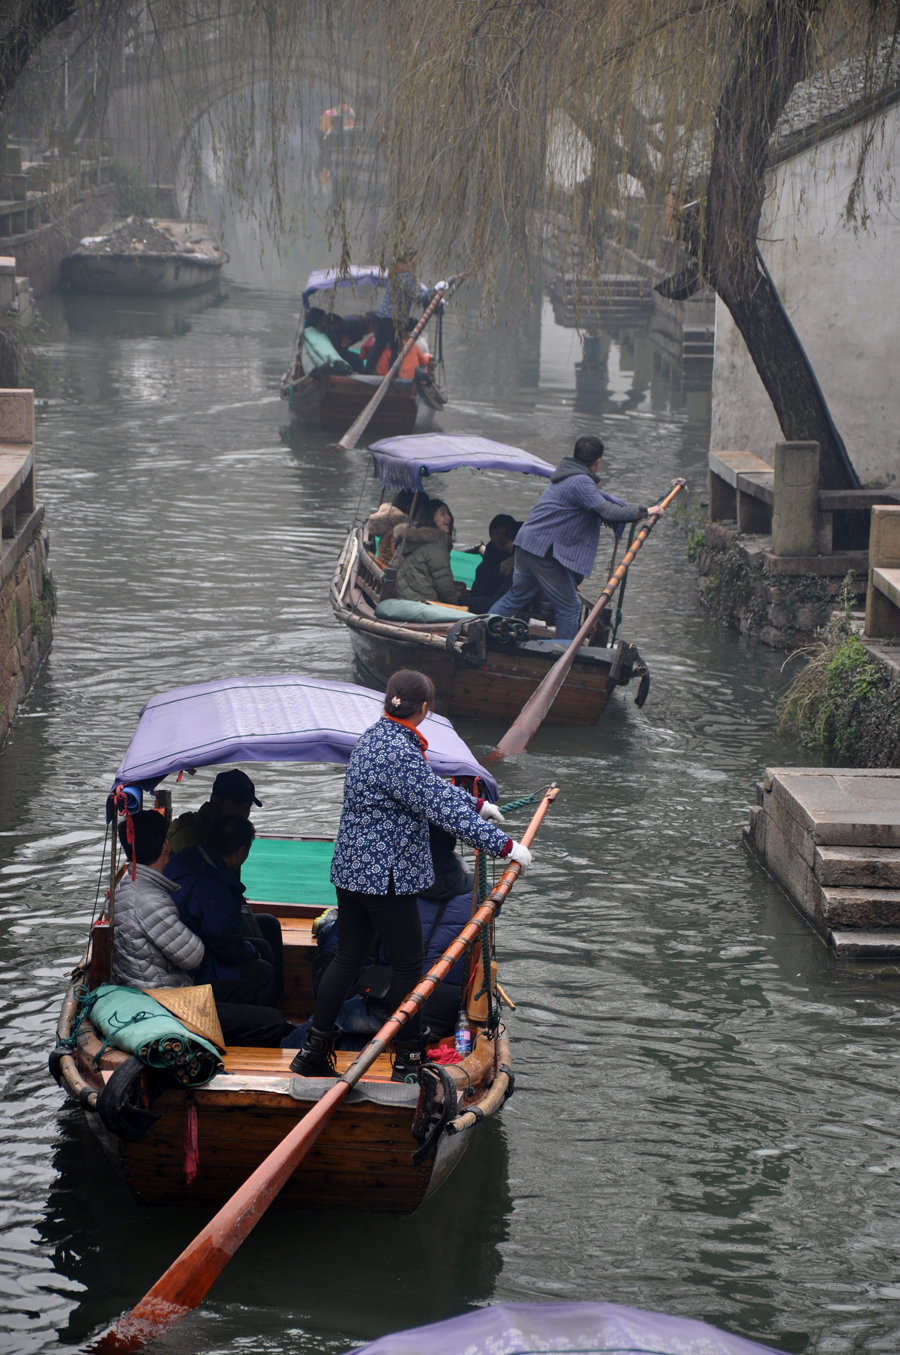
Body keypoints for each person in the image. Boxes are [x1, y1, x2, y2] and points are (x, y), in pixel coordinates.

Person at [289, 669, 532, 1081]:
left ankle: (313, 1050)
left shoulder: (373, 738)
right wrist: (506, 846)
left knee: (348, 958)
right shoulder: (400, 750)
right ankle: (408, 1056)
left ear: (390, 701)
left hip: (351, 872)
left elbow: (428, 788)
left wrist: (475, 805)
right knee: (410, 964)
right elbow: (435, 803)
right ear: (424, 708)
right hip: (384, 876)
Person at [113, 811, 289, 1048]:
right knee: (273, 1022)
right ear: (166, 845)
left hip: (164, 989)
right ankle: (226, 1059)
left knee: (247, 988)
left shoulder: (131, 886)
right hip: (167, 1002)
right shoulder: (150, 900)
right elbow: (194, 956)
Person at [489, 435, 664, 642]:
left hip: (527, 545)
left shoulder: (564, 477)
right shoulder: (580, 481)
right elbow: (607, 512)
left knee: (516, 595)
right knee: (570, 607)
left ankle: (484, 629)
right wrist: (647, 511)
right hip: (542, 551)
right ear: (597, 462)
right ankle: (563, 656)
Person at [168, 768, 283, 988]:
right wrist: (248, 949)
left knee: (269, 924)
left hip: (212, 914)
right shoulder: (192, 836)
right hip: (196, 926)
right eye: (237, 805)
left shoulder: (229, 830)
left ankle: (277, 1002)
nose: (243, 812)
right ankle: (268, 1013)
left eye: (247, 807)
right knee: (261, 953)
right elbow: (210, 907)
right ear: (216, 800)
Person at [165, 816, 283, 1010]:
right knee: (263, 969)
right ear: (240, 852)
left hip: (186, 944)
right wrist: (252, 951)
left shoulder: (187, 856)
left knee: (266, 927)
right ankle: (265, 1023)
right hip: (193, 966)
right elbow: (227, 948)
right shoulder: (213, 886)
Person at [365, 250, 432, 373]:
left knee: (379, 346)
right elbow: (417, 296)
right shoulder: (407, 276)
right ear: (407, 261)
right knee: (397, 348)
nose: (415, 265)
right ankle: (393, 375)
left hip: (381, 315)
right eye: (414, 261)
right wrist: (432, 292)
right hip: (393, 317)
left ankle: (366, 371)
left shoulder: (395, 273)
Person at [394, 498, 462, 606]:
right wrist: (455, 604)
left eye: (448, 513)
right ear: (431, 517)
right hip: (423, 603)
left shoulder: (408, 539)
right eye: (442, 513)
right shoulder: (437, 544)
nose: (448, 518)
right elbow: (443, 583)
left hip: (398, 597)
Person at [468, 514, 521, 614]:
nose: (501, 538)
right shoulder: (485, 564)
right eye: (497, 533)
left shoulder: (516, 566)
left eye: (505, 534)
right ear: (490, 536)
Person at [364, 489, 416, 567]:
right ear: (409, 508)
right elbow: (396, 558)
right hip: (388, 567)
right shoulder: (396, 530)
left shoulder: (386, 524)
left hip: (383, 563)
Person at [300, 307, 352, 376]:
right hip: (320, 366)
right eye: (323, 320)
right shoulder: (310, 332)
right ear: (318, 320)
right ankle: (336, 363)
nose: (324, 323)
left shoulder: (314, 333)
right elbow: (324, 348)